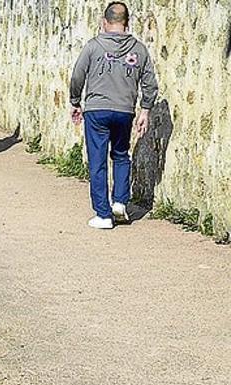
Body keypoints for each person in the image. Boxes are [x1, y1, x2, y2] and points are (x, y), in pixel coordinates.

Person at [70, 1, 158, 229]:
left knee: (97, 162)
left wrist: (75, 101)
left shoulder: (93, 46)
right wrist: (145, 110)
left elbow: (78, 75)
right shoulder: (139, 49)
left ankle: (103, 214)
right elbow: (149, 83)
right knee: (121, 155)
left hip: (97, 111)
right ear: (127, 23)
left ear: (104, 22)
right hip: (124, 111)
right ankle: (119, 202)